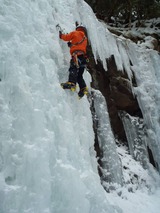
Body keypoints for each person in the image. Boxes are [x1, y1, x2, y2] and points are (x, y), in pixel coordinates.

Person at [59, 25, 89, 98]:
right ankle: (83, 88)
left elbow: (66, 37)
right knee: (79, 75)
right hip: (83, 58)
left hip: (76, 56)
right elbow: (79, 46)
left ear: (78, 29)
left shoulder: (76, 33)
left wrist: (61, 35)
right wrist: (71, 45)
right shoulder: (85, 38)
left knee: (73, 69)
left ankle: (72, 83)